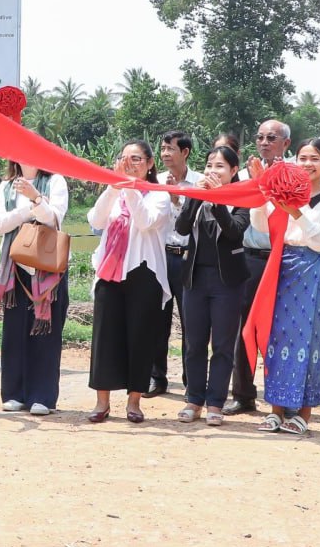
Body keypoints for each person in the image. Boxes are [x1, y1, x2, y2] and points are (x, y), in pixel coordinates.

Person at [250, 138, 320, 436]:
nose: (308, 164)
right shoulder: (283, 193)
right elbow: (262, 227)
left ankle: (304, 412)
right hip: (282, 266)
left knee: (310, 340)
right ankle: (276, 409)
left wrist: (296, 212)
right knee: (276, 338)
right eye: (303, 158)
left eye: (315, 158)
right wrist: (260, 192)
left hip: (312, 269)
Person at [86, 140, 171, 424]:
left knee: (140, 337)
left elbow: (145, 221)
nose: (130, 164)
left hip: (143, 273)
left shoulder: (158, 195)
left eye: (136, 159)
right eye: (125, 159)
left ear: (149, 164)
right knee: (104, 337)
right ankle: (102, 402)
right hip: (110, 272)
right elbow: (96, 220)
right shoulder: (115, 192)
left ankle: (134, 402)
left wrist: (131, 187)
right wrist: (113, 187)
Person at [174, 146, 250, 426]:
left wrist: (217, 201)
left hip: (227, 282)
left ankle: (215, 403)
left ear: (233, 172)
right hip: (194, 279)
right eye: (209, 166)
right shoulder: (196, 194)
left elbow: (234, 231)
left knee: (222, 345)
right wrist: (197, 197)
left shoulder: (242, 197)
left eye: (220, 167)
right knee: (194, 343)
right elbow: (182, 229)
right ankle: (193, 399)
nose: (212, 172)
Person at [0, 159, 68, 416]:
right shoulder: (5, 187)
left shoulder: (56, 181)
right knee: (14, 332)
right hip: (16, 268)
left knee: (46, 333)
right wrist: (28, 210)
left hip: (47, 269)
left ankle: (42, 395)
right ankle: (14, 393)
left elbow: (53, 219)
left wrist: (35, 198)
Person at [224, 119, 291, 416]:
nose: (264, 142)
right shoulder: (246, 178)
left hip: (284, 258)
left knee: (282, 329)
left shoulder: (295, 175)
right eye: (260, 137)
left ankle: (282, 395)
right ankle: (243, 394)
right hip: (250, 258)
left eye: (272, 137)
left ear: (286, 144)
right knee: (245, 327)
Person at [150, 130, 203, 397]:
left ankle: (190, 380)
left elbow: (197, 221)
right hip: (160, 256)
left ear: (185, 152)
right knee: (157, 321)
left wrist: (176, 201)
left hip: (188, 259)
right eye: (162, 148)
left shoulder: (200, 183)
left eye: (171, 148)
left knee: (191, 322)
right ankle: (156, 378)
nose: (165, 154)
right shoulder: (156, 182)